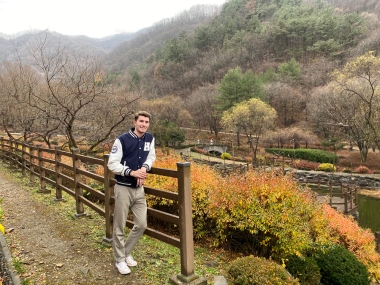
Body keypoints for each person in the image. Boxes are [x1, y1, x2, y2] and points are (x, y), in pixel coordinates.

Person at [107, 111, 156, 275]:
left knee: (142, 224)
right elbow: (112, 164)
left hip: (139, 190)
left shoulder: (150, 138)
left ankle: (125, 253)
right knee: (119, 225)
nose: (144, 124)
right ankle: (119, 260)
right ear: (134, 122)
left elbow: (151, 157)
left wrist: (143, 169)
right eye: (141, 121)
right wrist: (132, 172)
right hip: (123, 187)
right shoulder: (122, 140)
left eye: (146, 122)